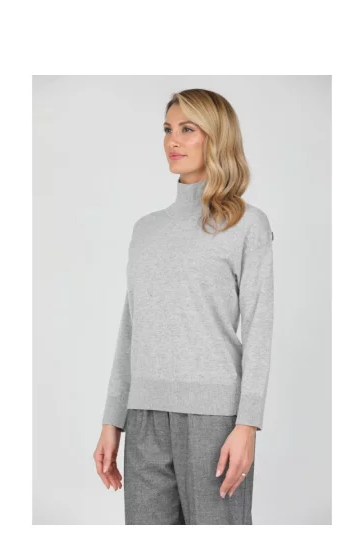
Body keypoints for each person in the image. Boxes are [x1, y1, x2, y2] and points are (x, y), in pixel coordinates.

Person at [93, 88, 274, 525]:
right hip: (144, 418)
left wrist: (247, 424)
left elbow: (259, 327)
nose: (172, 140)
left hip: (215, 420)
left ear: (216, 136)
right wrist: (112, 420)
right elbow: (131, 327)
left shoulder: (246, 224)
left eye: (187, 129)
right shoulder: (146, 230)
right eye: (168, 129)